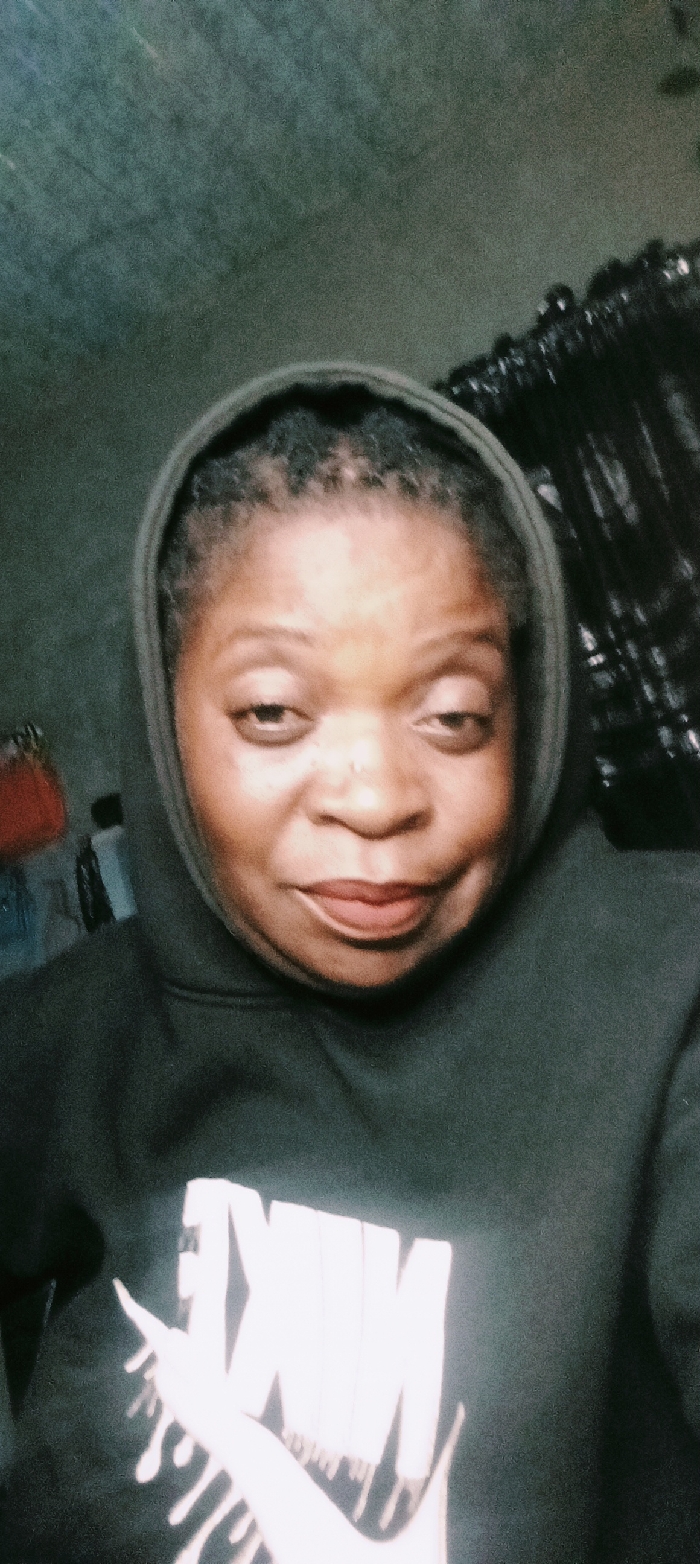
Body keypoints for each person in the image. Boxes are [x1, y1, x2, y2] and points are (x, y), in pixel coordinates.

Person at [1, 363, 699, 1564]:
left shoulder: (661, 981)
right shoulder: (87, 1023)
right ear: (166, 726)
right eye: (273, 713)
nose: (374, 799)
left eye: (453, 716)